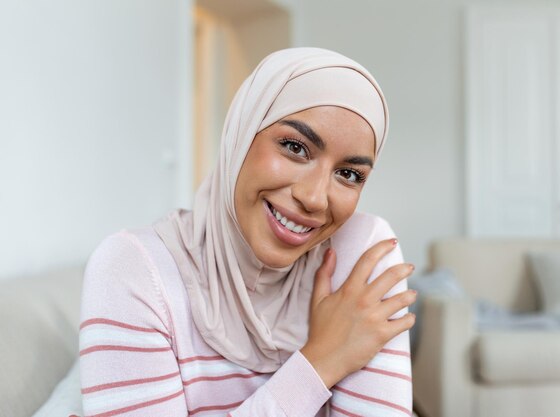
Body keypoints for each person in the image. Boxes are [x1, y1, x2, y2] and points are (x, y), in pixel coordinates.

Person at [79, 47, 416, 417]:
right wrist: (322, 361)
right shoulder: (134, 269)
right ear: (241, 135)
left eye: (349, 174)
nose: (315, 198)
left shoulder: (360, 251)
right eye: (295, 147)